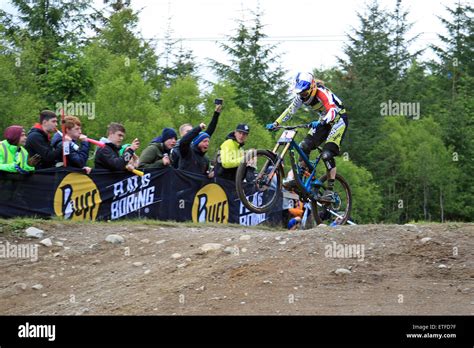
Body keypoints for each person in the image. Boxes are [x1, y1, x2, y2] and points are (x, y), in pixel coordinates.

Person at [266, 72, 348, 202]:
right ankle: (300, 178)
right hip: (323, 120)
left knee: (327, 154)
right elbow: (290, 110)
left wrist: (323, 121)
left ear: (312, 88)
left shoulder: (322, 93)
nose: (302, 96)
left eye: (304, 93)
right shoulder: (301, 96)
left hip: (338, 120)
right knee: (304, 146)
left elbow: (332, 110)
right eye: (300, 93)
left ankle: (330, 191)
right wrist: (277, 123)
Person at [171, 103, 222, 169]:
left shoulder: (197, 148)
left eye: (192, 131)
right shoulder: (178, 148)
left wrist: (216, 114)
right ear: (181, 134)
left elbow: (209, 132)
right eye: (188, 132)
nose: (192, 133)